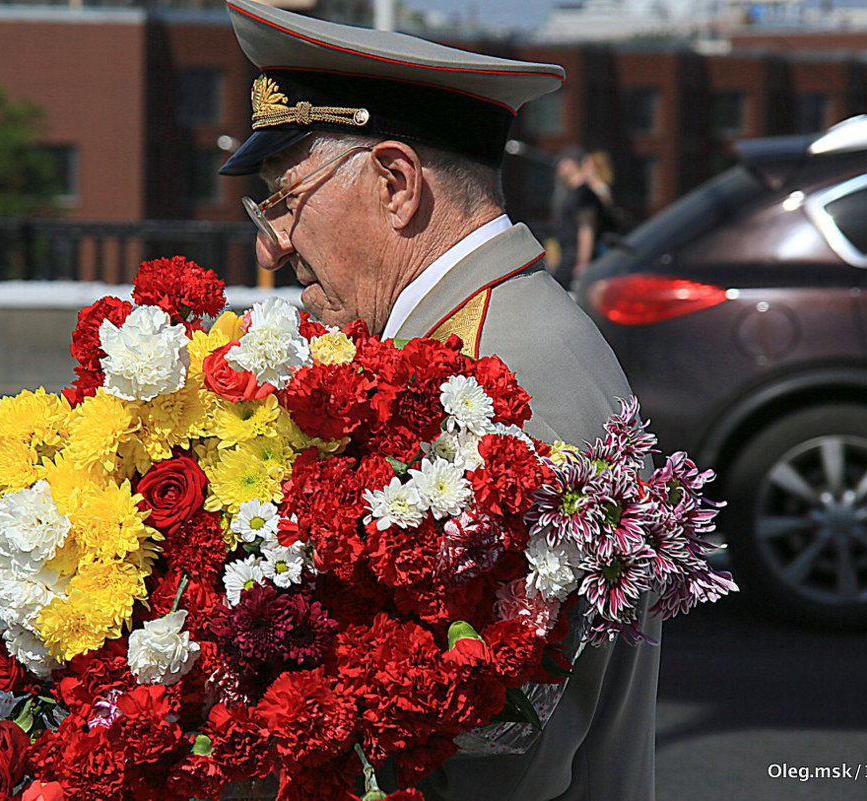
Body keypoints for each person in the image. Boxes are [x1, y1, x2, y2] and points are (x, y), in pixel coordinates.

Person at [219, 3, 661, 799]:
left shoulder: (495, 374)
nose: (269, 243)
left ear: (395, 184)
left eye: (282, 199)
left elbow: (495, 740)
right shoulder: (497, 330)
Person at [550, 149, 607, 291]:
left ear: (573, 165)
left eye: (562, 164)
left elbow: (587, 227)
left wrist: (583, 262)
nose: (559, 169)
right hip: (569, 253)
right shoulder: (573, 193)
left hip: (575, 255)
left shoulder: (583, 194)